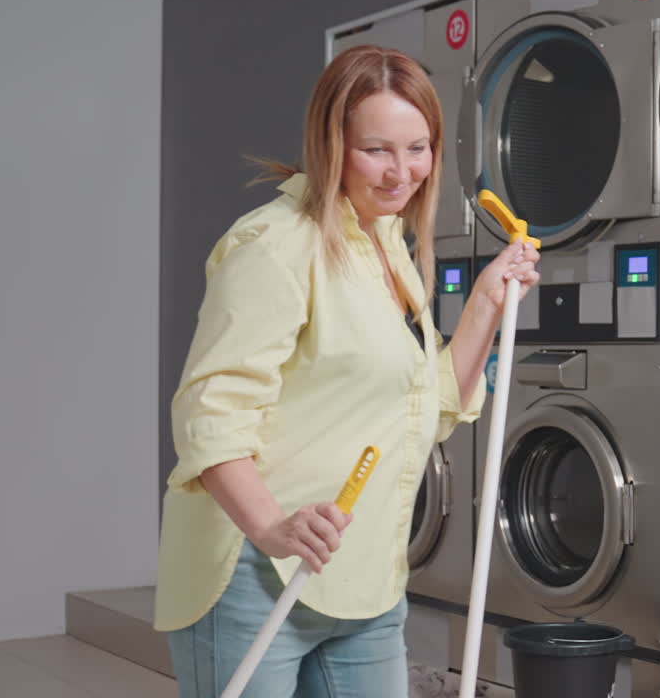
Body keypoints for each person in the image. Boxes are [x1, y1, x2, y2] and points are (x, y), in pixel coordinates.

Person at [154, 44, 541, 698]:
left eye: (417, 148)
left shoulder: (388, 248)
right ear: (330, 142)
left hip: (364, 579)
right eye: (377, 150)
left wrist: (485, 303)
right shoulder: (276, 245)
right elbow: (208, 419)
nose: (401, 173)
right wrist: (273, 528)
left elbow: (432, 408)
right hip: (255, 572)